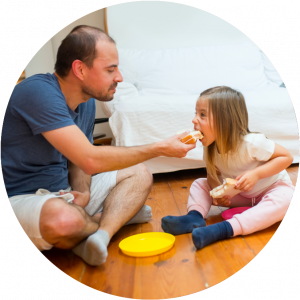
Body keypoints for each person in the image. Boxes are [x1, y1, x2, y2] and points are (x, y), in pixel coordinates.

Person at [1, 25, 196, 266]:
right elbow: (89, 158)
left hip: (65, 193)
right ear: (80, 69)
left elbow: (77, 162)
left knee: (140, 173)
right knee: (64, 221)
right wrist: (158, 148)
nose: (120, 77)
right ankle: (112, 219)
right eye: (110, 69)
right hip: (22, 198)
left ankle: (100, 235)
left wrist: (83, 193)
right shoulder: (36, 91)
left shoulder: (86, 103)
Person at [161, 86, 295, 249]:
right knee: (200, 184)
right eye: (195, 113)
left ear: (225, 120)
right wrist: (219, 191)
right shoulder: (211, 148)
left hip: (271, 189)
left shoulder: (252, 143)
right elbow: (213, 175)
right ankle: (194, 217)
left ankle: (225, 229)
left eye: (202, 114)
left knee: (287, 198)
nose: (194, 120)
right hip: (242, 196)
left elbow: (286, 157)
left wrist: (256, 174)